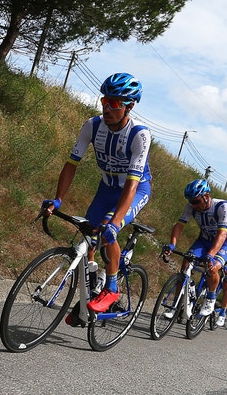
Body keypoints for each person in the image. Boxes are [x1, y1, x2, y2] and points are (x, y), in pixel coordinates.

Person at [42, 73, 151, 319]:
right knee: (88, 236)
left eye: (115, 103)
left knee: (108, 229)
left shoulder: (139, 134)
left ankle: (112, 288)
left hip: (135, 190)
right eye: (104, 101)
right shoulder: (92, 125)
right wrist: (58, 199)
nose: (107, 108)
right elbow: (71, 164)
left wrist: (115, 222)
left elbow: (132, 185)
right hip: (106, 188)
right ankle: (90, 294)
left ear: (129, 106)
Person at [162, 179, 227, 319]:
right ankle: (175, 305)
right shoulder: (191, 206)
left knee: (212, 268)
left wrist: (211, 255)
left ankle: (211, 298)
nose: (193, 205)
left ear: (206, 196)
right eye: (191, 202)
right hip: (204, 240)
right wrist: (172, 244)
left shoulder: (223, 206)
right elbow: (179, 225)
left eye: (196, 201)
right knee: (186, 263)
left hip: (224, 243)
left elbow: (222, 234)